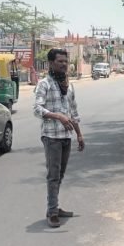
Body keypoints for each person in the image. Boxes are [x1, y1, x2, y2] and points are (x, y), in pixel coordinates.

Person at [34, 48, 85, 228]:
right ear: (51, 63)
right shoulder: (44, 84)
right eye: (60, 61)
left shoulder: (69, 85)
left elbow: (73, 112)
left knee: (60, 174)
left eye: (65, 61)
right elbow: (37, 109)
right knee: (53, 176)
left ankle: (53, 208)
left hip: (66, 136)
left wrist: (79, 134)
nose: (63, 64)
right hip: (51, 137)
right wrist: (58, 116)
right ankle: (53, 212)